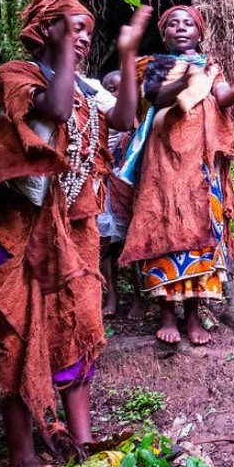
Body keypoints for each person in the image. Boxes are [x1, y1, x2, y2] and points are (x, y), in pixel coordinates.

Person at [0, 0, 150, 467]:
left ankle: (82, 447)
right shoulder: (15, 77)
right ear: (46, 29)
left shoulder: (83, 86)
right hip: (17, 233)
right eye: (73, 28)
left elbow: (124, 118)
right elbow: (53, 113)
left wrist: (125, 54)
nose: (82, 40)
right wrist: (59, 49)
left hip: (73, 234)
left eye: (86, 33)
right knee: (16, 340)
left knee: (78, 329)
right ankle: (23, 456)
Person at [119, 5, 234, 345]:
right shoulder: (157, 64)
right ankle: (167, 314)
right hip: (164, 163)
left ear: (200, 34)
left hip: (201, 164)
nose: (181, 28)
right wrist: (183, 79)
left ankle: (195, 315)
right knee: (166, 222)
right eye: (173, 24)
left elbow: (221, 96)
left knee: (202, 227)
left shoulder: (211, 67)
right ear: (164, 32)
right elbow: (155, 95)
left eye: (189, 24)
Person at [97, 71, 145, 319]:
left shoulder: (138, 124)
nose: (114, 94)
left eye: (120, 89)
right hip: (104, 191)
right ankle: (112, 296)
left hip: (129, 192)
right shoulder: (99, 120)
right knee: (108, 247)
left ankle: (139, 297)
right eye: (109, 88)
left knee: (133, 245)